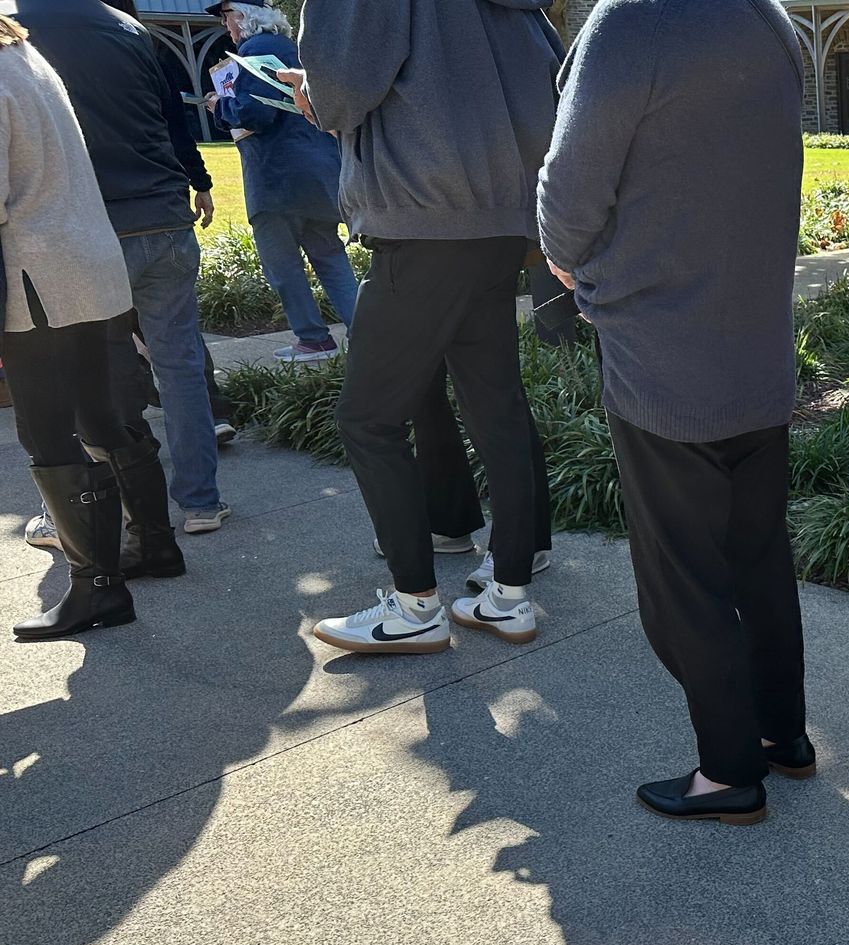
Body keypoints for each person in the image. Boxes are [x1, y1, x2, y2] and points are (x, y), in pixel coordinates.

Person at [538, 0, 810, 826]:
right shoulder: (768, 19)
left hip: (663, 347)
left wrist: (563, 258)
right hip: (757, 342)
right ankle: (780, 737)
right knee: (758, 555)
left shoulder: (632, 23)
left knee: (682, 578)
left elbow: (571, 185)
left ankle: (726, 772)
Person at [288, 0, 559, 655]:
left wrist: (313, 97)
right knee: (494, 404)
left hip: (424, 212)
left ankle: (414, 608)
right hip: (500, 215)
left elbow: (341, 87)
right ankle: (509, 598)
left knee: (367, 418)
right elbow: (555, 78)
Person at [12, 0, 230, 537]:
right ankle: (202, 501)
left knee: (102, 381)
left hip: (89, 227)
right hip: (162, 214)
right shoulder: (129, 27)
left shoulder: (19, 36)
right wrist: (199, 180)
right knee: (179, 364)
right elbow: (172, 114)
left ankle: (128, 510)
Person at [0, 14, 183, 640]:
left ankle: (97, 588)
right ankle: (155, 545)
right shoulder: (23, 54)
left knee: (46, 431)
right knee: (100, 416)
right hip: (85, 257)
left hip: (36, 273)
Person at [207, 1, 357, 364]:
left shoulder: (252, 52)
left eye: (227, 18)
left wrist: (218, 105)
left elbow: (256, 112)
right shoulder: (296, 49)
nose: (226, 27)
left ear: (243, 17)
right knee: (330, 256)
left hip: (275, 177)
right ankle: (369, 332)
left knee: (281, 263)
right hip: (319, 170)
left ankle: (313, 338)